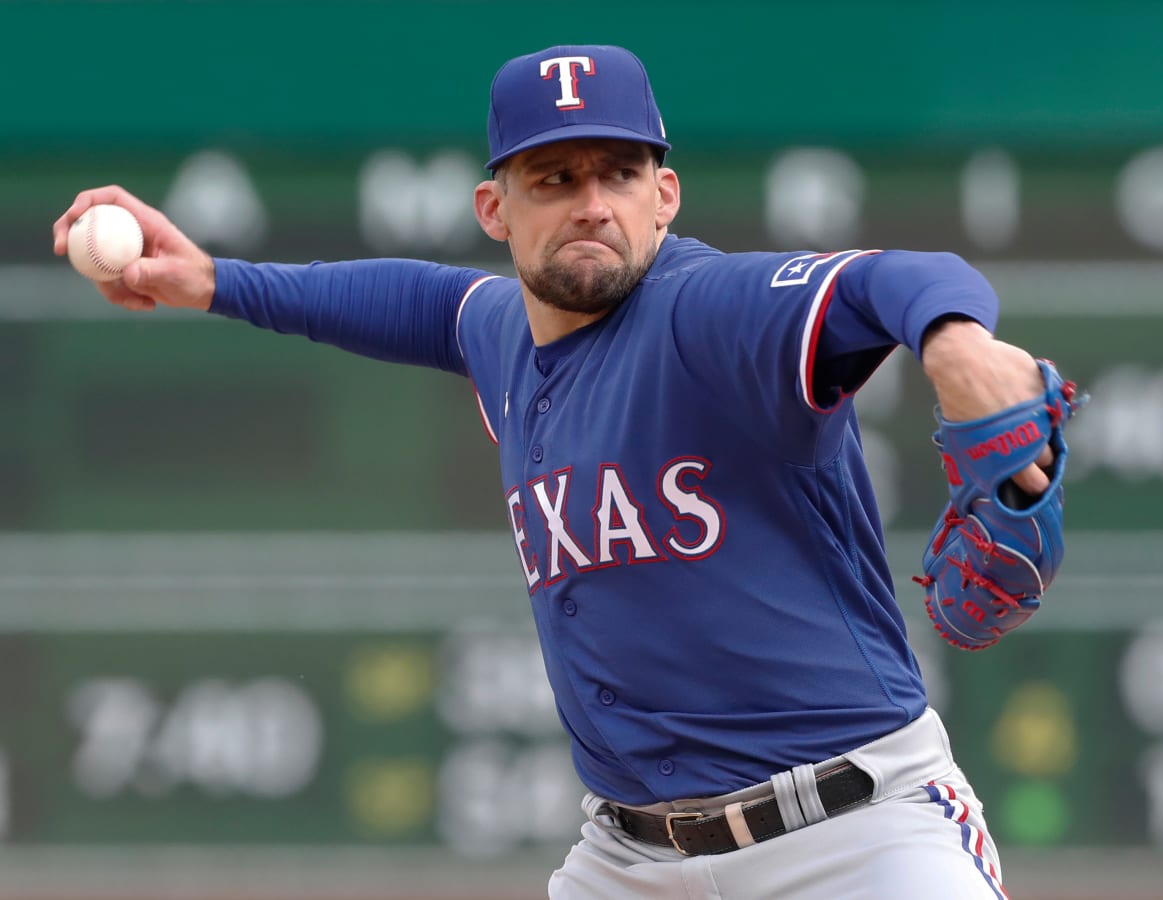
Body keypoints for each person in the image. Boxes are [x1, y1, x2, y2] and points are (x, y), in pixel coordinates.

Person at [53, 44, 1058, 900]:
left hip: (857, 839)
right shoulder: (501, 334)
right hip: (628, 860)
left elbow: (898, 278)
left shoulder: (712, 311)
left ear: (664, 196)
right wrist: (217, 281)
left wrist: (955, 339)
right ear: (496, 207)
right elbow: (399, 299)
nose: (590, 203)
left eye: (618, 174)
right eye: (554, 179)